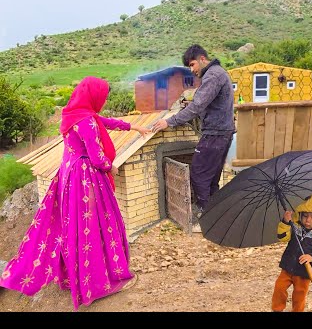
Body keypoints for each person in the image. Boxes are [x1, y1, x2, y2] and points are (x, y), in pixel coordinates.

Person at [0, 77, 150, 310]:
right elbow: (96, 156)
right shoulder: (87, 121)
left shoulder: (73, 114)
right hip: (86, 178)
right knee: (97, 225)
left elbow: (105, 121)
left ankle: (75, 276)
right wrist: (111, 166)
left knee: (75, 226)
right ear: (93, 95)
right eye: (103, 95)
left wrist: (133, 126)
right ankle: (100, 282)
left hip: (68, 176)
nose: (104, 99)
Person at [152, 44, 235, 216]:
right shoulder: (218, 73)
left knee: (198, 173)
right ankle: (216, 213)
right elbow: (201, 104)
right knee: (212, 177)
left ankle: (206, 214)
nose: (192, 70)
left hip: (215, 133)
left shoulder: (212, 75)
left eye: (192, 64)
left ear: (202, 59)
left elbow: (197, 106)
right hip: (222, 132)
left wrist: (169, 121)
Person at [271, 194, 312, 312]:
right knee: (279, 287)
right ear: (300, 214)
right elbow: (282, 237)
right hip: (288, 266)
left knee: (299, 295)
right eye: (305, 216)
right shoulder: (295, 225)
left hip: (304, 271)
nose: (308, 220)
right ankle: (277, 309)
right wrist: (285, 222)